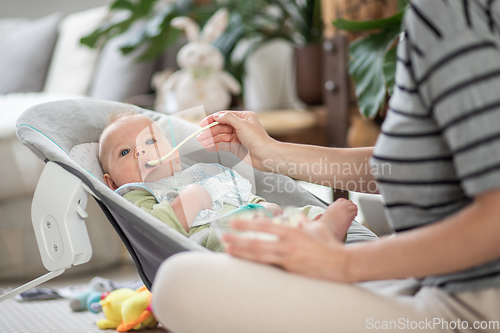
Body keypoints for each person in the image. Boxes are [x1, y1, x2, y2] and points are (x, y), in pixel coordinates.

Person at [151, 1, 500, 332]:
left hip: (473, 303)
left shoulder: (452, 14)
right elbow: (423, 168)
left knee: (177, 283)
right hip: (436, 275)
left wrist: (341, 264)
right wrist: (272, 154)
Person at [98, 112, 358, 251]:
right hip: (202, 242)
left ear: (175, 157)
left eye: (150, 141)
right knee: (215, 239)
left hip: (252, 219)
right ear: (111, 183)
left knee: (297, 212)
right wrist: (192, 198)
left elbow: (238, 195)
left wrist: (264, 206)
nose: (141, 152)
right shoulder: (136, 194)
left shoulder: (199, 173)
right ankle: (297, 242)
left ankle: (319, 228)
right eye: (124, 152)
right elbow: (154, 229)